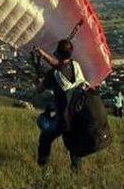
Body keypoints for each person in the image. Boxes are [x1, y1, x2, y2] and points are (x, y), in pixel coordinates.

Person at [33, 39, 87, 171]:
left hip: (62, 116)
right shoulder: (75, 66)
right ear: (71, 52)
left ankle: (42, 167)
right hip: (77, 113)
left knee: (45, 136)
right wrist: (44, 55)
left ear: (57, 53)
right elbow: (60, 65)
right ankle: (76, 172)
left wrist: (37, 82)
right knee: (73, 143)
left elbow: (39, 90)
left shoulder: (53, 75)